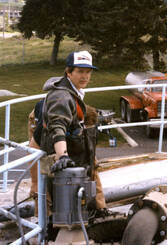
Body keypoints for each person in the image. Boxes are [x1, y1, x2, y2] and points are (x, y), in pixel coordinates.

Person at [30, 50, 108, 217]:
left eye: (88, 72)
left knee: (91, 172)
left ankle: (98, 210)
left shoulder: (73, 91)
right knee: (46, 194)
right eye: (80, 71)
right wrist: (62, 155)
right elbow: (57, 127)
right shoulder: (62, 97)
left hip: (66, 146)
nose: (85, 76)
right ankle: (46, 229)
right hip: (49, 149)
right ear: (69, 72)